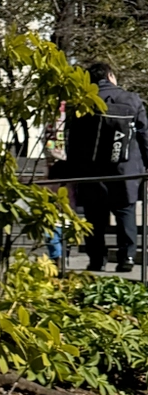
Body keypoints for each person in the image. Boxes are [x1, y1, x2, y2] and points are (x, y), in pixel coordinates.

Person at [66, 59, 148, 273]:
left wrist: (73, 169)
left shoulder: (82, 103)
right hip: (126, 169)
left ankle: (96, 260)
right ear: (110, 76)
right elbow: (143, 134)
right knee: (125, 212)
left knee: (94, 216)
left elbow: (72, 140)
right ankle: (127, 257)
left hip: (91, 170)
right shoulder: (131, 99)